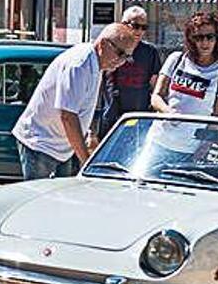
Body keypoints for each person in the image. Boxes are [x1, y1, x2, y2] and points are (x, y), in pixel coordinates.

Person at [13, 23, 137, 180]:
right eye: (120, 53)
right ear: (103, 44)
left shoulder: (97, 64)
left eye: (127, 57)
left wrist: (90, 134)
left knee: (63, 199)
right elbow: (67, 116)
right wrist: (86, 161)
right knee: (42, 200)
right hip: (41, 143)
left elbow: (84, 107)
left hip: (62, 146)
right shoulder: (80, 64)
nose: (122, 61)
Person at [96, 6, 162, 139]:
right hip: (111, 118)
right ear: (123, 24)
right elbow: (98, 83)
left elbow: (155, 87)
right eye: (135, 26)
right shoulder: (111, 47)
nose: (139, 31)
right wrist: (92, 128)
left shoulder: (150, 52)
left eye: (144, 27)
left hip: (139, 118)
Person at [152, 11, 218, 118]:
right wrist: (169, 112)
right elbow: (156, 97)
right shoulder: (176, 59)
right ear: (191, 39)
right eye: (199, 37)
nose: (205, 42)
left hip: (196, 134)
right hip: (162, 131)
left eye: (210, 37)